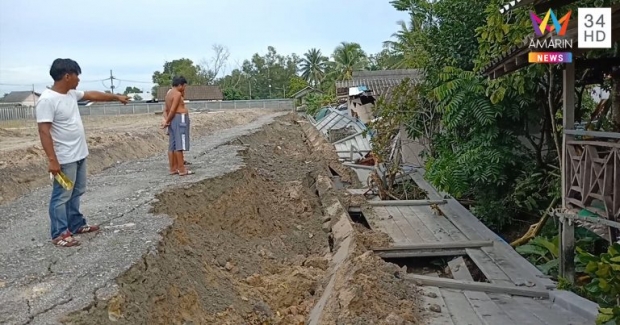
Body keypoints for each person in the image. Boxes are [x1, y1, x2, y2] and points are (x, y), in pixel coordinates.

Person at [36, 58, 130, 247]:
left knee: (77, 191)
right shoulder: (47, 100)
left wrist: (115, 97)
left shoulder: (70, 94)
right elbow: (43, 131)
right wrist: (52, 160)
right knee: (61, 196)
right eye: (77, 75)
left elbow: (92, 95)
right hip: (64, 158)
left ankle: (76, 224)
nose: (79, 79)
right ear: (67, 76)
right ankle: (60, 234)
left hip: (79, 154)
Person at [163, 76, 193, 176]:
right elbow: (173, 109)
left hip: (172, 120)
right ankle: (182, 169)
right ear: (180, 85)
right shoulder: (177, 94)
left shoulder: (168, 93)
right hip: (180, 118)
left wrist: (167, 120)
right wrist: (167, 121)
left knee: (173, 144)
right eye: (184, 86)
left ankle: (173, 168)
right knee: (180, 144)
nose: (184, 88)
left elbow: (166, 109)